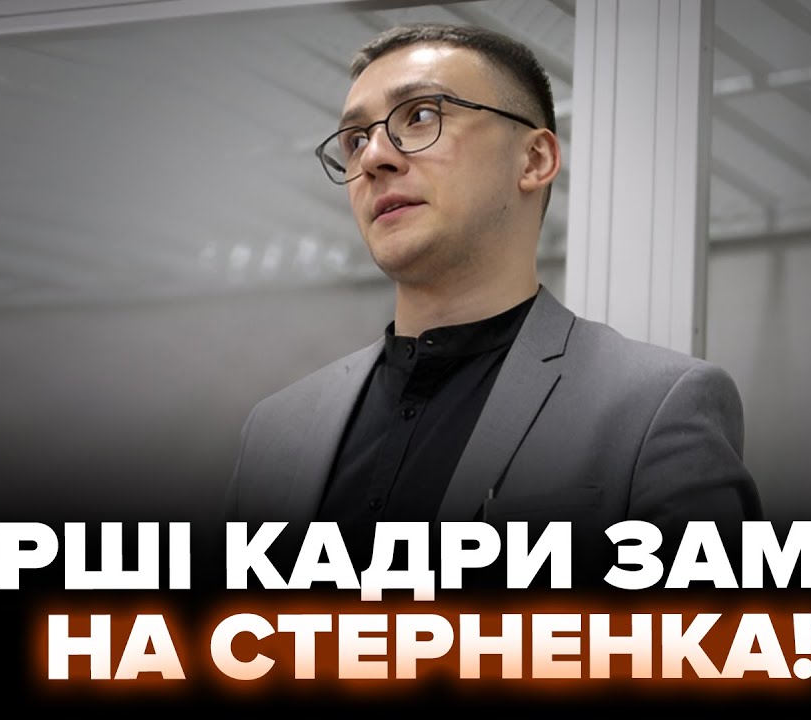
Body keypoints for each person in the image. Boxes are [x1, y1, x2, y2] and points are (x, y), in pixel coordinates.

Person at [224, 23, 761, 580]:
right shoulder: (274, 433)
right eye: (355, 140)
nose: (375, 156)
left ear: (533, 160)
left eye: (421, 115)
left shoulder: (654, 408)